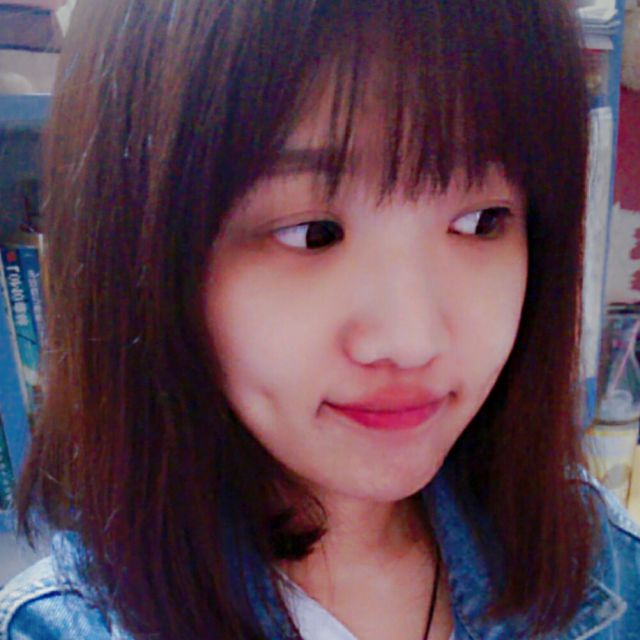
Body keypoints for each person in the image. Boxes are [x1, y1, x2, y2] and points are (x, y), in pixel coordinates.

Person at [0, 0, 639, 638]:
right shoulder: (61, 627)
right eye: (313, 233)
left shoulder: (602, 565)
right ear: (140, 255)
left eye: (481, 222)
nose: (411, 341)